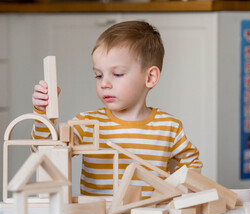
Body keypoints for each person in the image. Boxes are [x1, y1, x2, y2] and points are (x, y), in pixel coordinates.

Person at [31, 21, 202, 198]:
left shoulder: (169, 128)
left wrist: (175, 195)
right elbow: (46, 152)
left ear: (150, 77)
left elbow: (192, 168)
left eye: (118, 74)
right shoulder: (87, 124)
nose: (104, 83)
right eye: (98, 75)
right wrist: (43, 112)